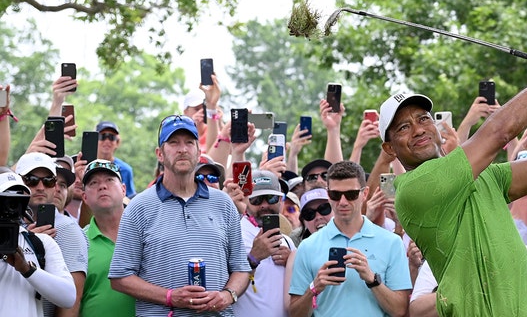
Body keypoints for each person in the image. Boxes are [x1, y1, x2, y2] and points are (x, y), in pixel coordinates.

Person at [379, 50, 527, 315]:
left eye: (423, 119)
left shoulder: (486, 175)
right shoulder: (412, 189)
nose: (418, 129)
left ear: (436, 126)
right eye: (403, 128)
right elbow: (499, 132)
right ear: (390, 148)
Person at [109, 115, 250, 316]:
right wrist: (170, 297)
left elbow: (241, 269)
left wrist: (228, 295)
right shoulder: (138, 207)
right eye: (173, 143)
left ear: (198, 151)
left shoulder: (223, 203)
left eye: (189, 143)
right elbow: (120, 278)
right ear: (160, 154)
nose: (182, 149)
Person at [289, 161, 412, 317]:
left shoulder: (391, 242)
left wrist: (372, 279)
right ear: (328, 194)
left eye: (351, 195)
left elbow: (400, 310)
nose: (343, 202)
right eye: (335, 195)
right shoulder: (308, 246)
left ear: (365, 194)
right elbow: (295, 314)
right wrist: (314, 288)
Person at [15, 152, 89, 317]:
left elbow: (71, 303)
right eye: (31, 180)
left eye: (48, 181)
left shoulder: (67, 229)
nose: (40, 187)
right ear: (18, 181)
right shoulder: (8, 226)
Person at [0, 170, 76, 317]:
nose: (11, 207)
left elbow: (68, 297)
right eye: (5, 199)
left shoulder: (41, 242)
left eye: (18, 201)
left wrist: (27, 270)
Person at [410, 246, 527, 317]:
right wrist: (466, 286)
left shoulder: (524, 252)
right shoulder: (441, 255)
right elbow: (417, 311)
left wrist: (496, 289)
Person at [234, 170, 296, 317]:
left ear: (280, 200)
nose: (264, 205)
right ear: (246, 200)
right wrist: (253, 257)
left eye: (271, 198)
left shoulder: (287, 240)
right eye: (257, 199)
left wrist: (293, 261)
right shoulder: (234, 233)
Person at [79, 159, 135, 316]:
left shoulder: (145, 234)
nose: (102, 186)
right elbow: (72, 302)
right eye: (93, 183)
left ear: (123, 189)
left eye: (110, 180)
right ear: (84, 197)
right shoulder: (79, 241)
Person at [95, 121, 136, 198]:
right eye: (102, 136)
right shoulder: (84, 165)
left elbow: (130, 198)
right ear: (94, 140)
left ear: (117, 142)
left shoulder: (126, 170)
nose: (107, 141)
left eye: (111, 137)